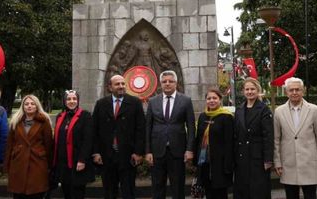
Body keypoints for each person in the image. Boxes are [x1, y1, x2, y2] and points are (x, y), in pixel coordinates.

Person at [92, 75, 146, 199]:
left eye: (123, 84)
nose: (121, 86)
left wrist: (138, 152)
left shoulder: (135, 103)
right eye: (117, 84)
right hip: (107, 156)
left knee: (128, 191)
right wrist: (96, 152)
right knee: (109, 192)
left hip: (128, 155)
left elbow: (140, 129)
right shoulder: (101, 104)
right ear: (110, 87)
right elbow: (94, 130)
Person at [273, 77, 317, 199]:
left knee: (310, 196)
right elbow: (276, 139)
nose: (294, 92)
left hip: (310, 163)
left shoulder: (314, 110)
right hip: (288, 164)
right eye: (291, 90)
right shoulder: (279, 112)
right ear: (286, 92)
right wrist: (277, 162)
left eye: (298, 89)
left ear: (303, 91)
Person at [145, 70, 195, 199]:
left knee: (178, 188)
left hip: (178, 151)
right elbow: (148, 127)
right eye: (164, 81)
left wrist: (189, 149)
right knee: (157, 187)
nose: (167, 84)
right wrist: (148, 151)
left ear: (176, 83)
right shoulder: (152, 101)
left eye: (170, 81)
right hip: (157, 151)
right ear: (160, 84)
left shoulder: (186, 101)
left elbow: (191, 127)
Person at [4, 94, 54, 199]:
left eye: (32, 104)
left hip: (37, 164)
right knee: (18, 194)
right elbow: (10, 144)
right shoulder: (15, 122)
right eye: (26, 104)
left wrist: (49, 166)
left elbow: (49, 145)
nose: (29, 106)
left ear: (37, 106)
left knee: (36, 194)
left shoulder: (44, 122)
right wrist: (7, 165)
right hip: (18, 163)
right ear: (23, 106)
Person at [234, 78, 273, 199]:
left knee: (258, 191)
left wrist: (268, 160)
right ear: (243, 91)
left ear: (258, 90)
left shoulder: (264, 109)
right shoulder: (239, 109)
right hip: (241, 158)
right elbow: (236, 134)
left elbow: (268, 136)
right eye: (247, 89)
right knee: (243, 191)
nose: (250, 92)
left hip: (258, 158)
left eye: (252, 89)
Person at [52, 90, 95, 199]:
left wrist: (82, 160)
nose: (72, 101)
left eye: (74, 99)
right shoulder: (60, 116)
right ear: (64, 101)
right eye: (69, 99)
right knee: (66, 192)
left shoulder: (85, 116)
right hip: (62, 163)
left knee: (77, 193)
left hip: (78, 162)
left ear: (78, 101)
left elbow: (88, 140)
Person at [193, 88, 234, 199]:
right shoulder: (202, 116)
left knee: (220, 194)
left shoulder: (227, 116)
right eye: (209, 98)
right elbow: (198, 139)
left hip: (220, 164)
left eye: (215, 98)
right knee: (208, 193)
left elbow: (229, 142)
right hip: (204, 163)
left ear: (220, 100)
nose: (212, 100)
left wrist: (228, 165)